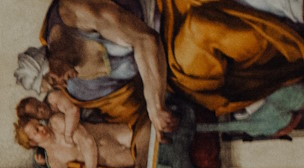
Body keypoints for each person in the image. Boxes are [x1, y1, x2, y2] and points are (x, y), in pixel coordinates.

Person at [36, 0, 304, 133]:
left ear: (49, 55)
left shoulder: (74, 11)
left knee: (202, 21)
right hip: (171, 68)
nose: (61, 83)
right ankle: (265, 84)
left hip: (167, 11)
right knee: (198, 50)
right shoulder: (81, 86)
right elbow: (135, 115)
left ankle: (290, 11)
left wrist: (155, 105)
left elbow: (145, 39)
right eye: (55, 86)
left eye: (53, 78)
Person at [14, 98, 151, 168]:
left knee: (152, 138)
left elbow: (86, 141)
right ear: (32, 142)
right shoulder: (55, 163)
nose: (42, 128)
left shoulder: (56, 122)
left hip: (122, 136)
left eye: (39, 124)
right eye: (37, 131)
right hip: (120, 160)